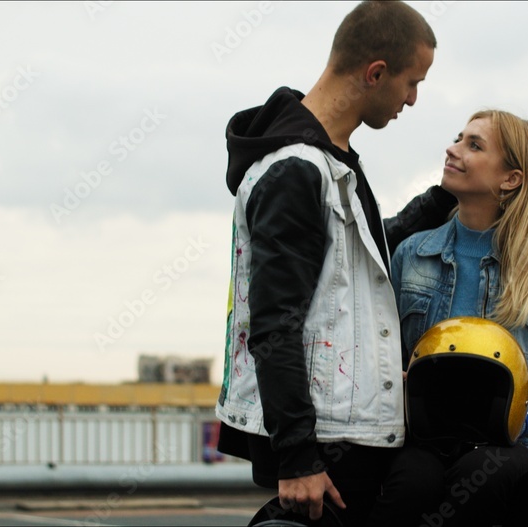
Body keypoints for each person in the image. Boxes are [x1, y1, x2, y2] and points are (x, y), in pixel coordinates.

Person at [215, 2, 456, 526]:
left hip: (344, 424)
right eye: (412, 82)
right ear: (375, 73)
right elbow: (274, 323)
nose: (412, 99)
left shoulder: (330, 157)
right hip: (325, 435)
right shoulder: (296, 169)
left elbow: (353, 262)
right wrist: (297, 458)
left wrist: (439, 201)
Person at [368, 109, 528, 527]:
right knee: (409, 486)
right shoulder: (411, 253)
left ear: (510, 178)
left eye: (473, 145)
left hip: (510, 445)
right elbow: (384, 351)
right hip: (424, 437)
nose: (452, 149)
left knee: (480, 477)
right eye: (459, 138)